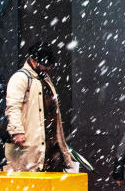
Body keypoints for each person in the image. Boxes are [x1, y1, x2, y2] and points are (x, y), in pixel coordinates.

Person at [4, 41, 74, 173]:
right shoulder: (20, 78)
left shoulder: (44, 79)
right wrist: (17, 131)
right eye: (45, 65)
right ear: (34, 61)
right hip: (31, 140)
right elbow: (13, 107)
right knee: (31, 175)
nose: (48, 68)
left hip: (49, 140)